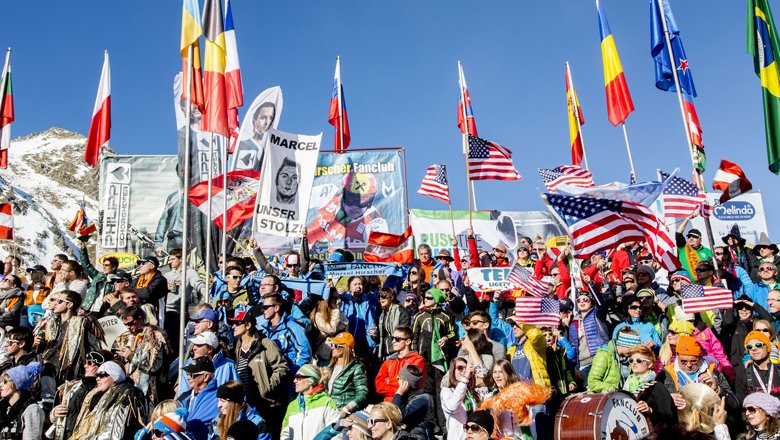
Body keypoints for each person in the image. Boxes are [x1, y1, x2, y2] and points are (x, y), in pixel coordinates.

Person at [229, 311, 288, 438]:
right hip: (247, 402)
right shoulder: (237, 347)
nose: (233, 327)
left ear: (248, 325)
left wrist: (267, 387)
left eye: (237, 323)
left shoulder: (266, 343)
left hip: (266, 403)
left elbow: (282, 367)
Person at [657, 335, 739, 413]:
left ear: (700, 357)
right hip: (679, 424)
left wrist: (718, 390)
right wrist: (668, 400)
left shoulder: (712, 372)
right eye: (684, 361)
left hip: (709, 424)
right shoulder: (665, 375)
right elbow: (654, 406)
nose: (689, 365)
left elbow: (735, 405)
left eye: (693, 361)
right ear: (677, 356)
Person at [70, 361, 149, 440]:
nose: (97, 378)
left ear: (115, 377)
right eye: (97, 375)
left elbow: (114, 433)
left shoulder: (124, 394)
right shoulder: (99, 396)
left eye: (102, 375)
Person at [37, 290, 103, 381]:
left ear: (69, 305)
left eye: (59, 301)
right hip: (48, 368)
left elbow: (93, 348)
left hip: (69, 371)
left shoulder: (82, 324)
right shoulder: (51, 324)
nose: (55, 304)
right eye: (56, 300)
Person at [113, 305, 170, 404]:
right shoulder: (125, 336)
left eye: (131, 324)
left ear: (139, 319)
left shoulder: (155, 334)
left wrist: (131, 356)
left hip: (148, 387)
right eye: (125, 324)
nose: (128, 327)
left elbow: (153, 365)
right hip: (128, 384)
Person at [49, 350, 109, 440]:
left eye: (89, 363)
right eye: (85, 362)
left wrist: (92, 379)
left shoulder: (106, 391)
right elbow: (54, 416)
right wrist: (54, 413)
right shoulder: (72, 387)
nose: (85, 366)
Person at [280, 364, 340, 440]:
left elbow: (336, 433)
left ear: (310, 381)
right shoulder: (292, 405)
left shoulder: (326, 402)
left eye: (299, 377)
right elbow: (285, 434)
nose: (294, 381)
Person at [622, 345, 677, 426]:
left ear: (650, 364)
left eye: (639, 360)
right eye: (631, 360)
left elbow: (668, 416)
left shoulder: (657, 386)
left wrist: (650, 410)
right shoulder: (627, 385)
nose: (634, 363)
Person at [259, 293, 312, 374]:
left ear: (276, 308)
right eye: (262, 307)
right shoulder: (264, 330)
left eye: (265, 307)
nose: (262, 310)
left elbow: (304, 353)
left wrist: (293, 373)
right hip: (273, 377)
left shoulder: (293, 327)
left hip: (290, 379)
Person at [375, 325, 427, 402]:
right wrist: (398, 388)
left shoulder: (417, 360)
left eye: (397, 339)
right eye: (392, 338)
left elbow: (409, 386)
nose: (393, 342)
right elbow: (378, 386)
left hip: (407, 403)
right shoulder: (389, 361)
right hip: (388, 404)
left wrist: (388, 381)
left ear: (408, 341)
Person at [325, 332, 369, 417]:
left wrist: (346, 409)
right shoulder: (330, 367)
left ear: (345, 348)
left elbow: (362, 394)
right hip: (329, 412)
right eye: (332, 345)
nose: (332, 348)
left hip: (344, 415)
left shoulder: (356, 367)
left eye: (335, 345)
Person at [177, 357, 219, 440]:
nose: (188, 377)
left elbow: (194, 426)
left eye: (192, 374)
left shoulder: (217, 398)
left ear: (206, 377)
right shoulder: (186, 397)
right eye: (187, 373)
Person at [0, 362, 44, 440]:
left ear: (17, 385)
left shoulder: (31, 409)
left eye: (5, 382)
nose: (1, 385)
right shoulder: (4, 408)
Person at [588, 328, 639, 392]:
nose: (633, 352)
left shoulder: (627, 358)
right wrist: (614, 390)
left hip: (622, 397)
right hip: (605, 397)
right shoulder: (604, 355)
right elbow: (592, 382)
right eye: (631, 348)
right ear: (624, 344)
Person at [441, 357, 480, 440]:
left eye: (466, 368)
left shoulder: (472, 392)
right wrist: (465, 379)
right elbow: (452, 407)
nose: (464, 371)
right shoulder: (447, 391)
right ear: (452, 371)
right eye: (460, 368)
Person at [736, 330, 780, 401]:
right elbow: (741, 404)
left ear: (768, 347)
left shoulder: (778, 370)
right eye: (749, 347)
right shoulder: (742, 374)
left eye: (758, 345)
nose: (754, 349)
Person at [339, 276, 377, 358]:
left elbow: (370, 321)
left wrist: (373, 335)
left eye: (360, 284)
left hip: (362, 343)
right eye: (355, 284)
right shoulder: (343, 300)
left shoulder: (367, 301)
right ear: (350, 287)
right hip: (346, 342)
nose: (358, 286)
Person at [390, 365, 433, 438]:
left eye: (398, 378)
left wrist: (399, 393)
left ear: (405, 383)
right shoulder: (406, 397)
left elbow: (396, 415)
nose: (397, 381)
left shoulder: (422, 399)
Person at [78, 240, 118, 315]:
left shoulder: (116, 281)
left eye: (106, 265)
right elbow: (86, 266)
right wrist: (83, 249)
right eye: (103, 265)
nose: (104, 267)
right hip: (88, 308)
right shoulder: (98, 275)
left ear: (113, 267)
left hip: (103, 310)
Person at [375, 287, 411, 359]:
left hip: (397, 353)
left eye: (383, 296)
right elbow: (382, 336)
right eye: (379, 297)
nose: (381, 299)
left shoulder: (402, 312)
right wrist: (375, 334)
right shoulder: (382, 314)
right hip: (384, 354)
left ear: (391, 297)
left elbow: (404, 333)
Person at [675, 217, 713, 283]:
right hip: (686, 284)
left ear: (700, 240)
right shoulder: (683, 248)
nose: (691, 238)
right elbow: (678, 233)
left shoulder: (707, 251)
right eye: (689, 237)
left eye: (695, 237)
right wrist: (687, 218)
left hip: (705, 284)